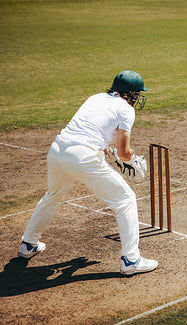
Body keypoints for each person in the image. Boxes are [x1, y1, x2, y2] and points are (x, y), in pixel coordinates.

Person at [18, 70, 158, 276]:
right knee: (126, 199)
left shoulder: (96, 98)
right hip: (81, 157)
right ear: (132, 94)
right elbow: (124, 152)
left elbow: (88, 130)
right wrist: (132, 159)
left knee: (53, 195)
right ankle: (131, 260)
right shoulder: (127, 110)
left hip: (57, 150)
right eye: (137, 93)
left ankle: (28, 244)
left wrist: (106, 149)